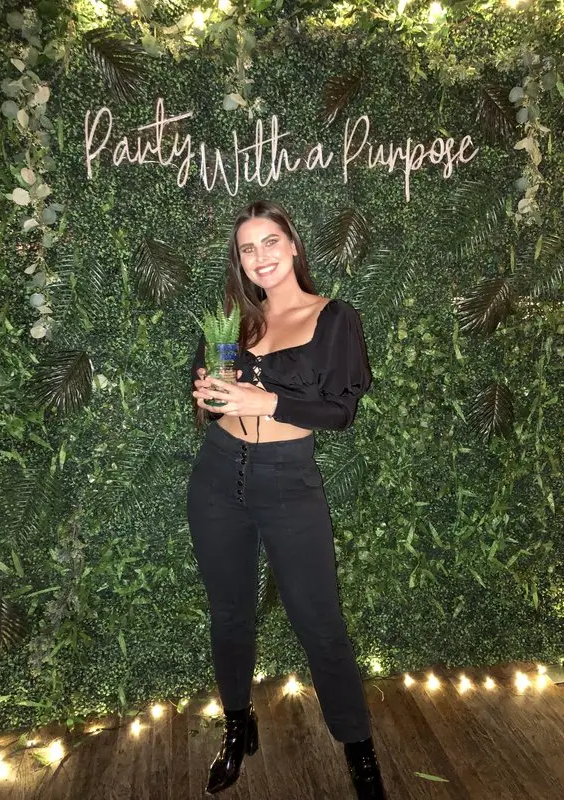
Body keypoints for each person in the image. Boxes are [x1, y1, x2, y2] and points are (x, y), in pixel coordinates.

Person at [187, 200, 387, 799]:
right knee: (229, 613)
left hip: (287, 479)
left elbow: (340, 410)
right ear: (240, 261)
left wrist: (265, 402)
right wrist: (206, 396)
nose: (260, 257)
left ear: (293, 245)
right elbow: (206, 395)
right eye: (247, 249)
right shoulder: (231, 318)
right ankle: (237, 724)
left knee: (320, 624)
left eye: (270, 242)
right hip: (217, 477)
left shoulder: (333, 318)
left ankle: (360, 753)